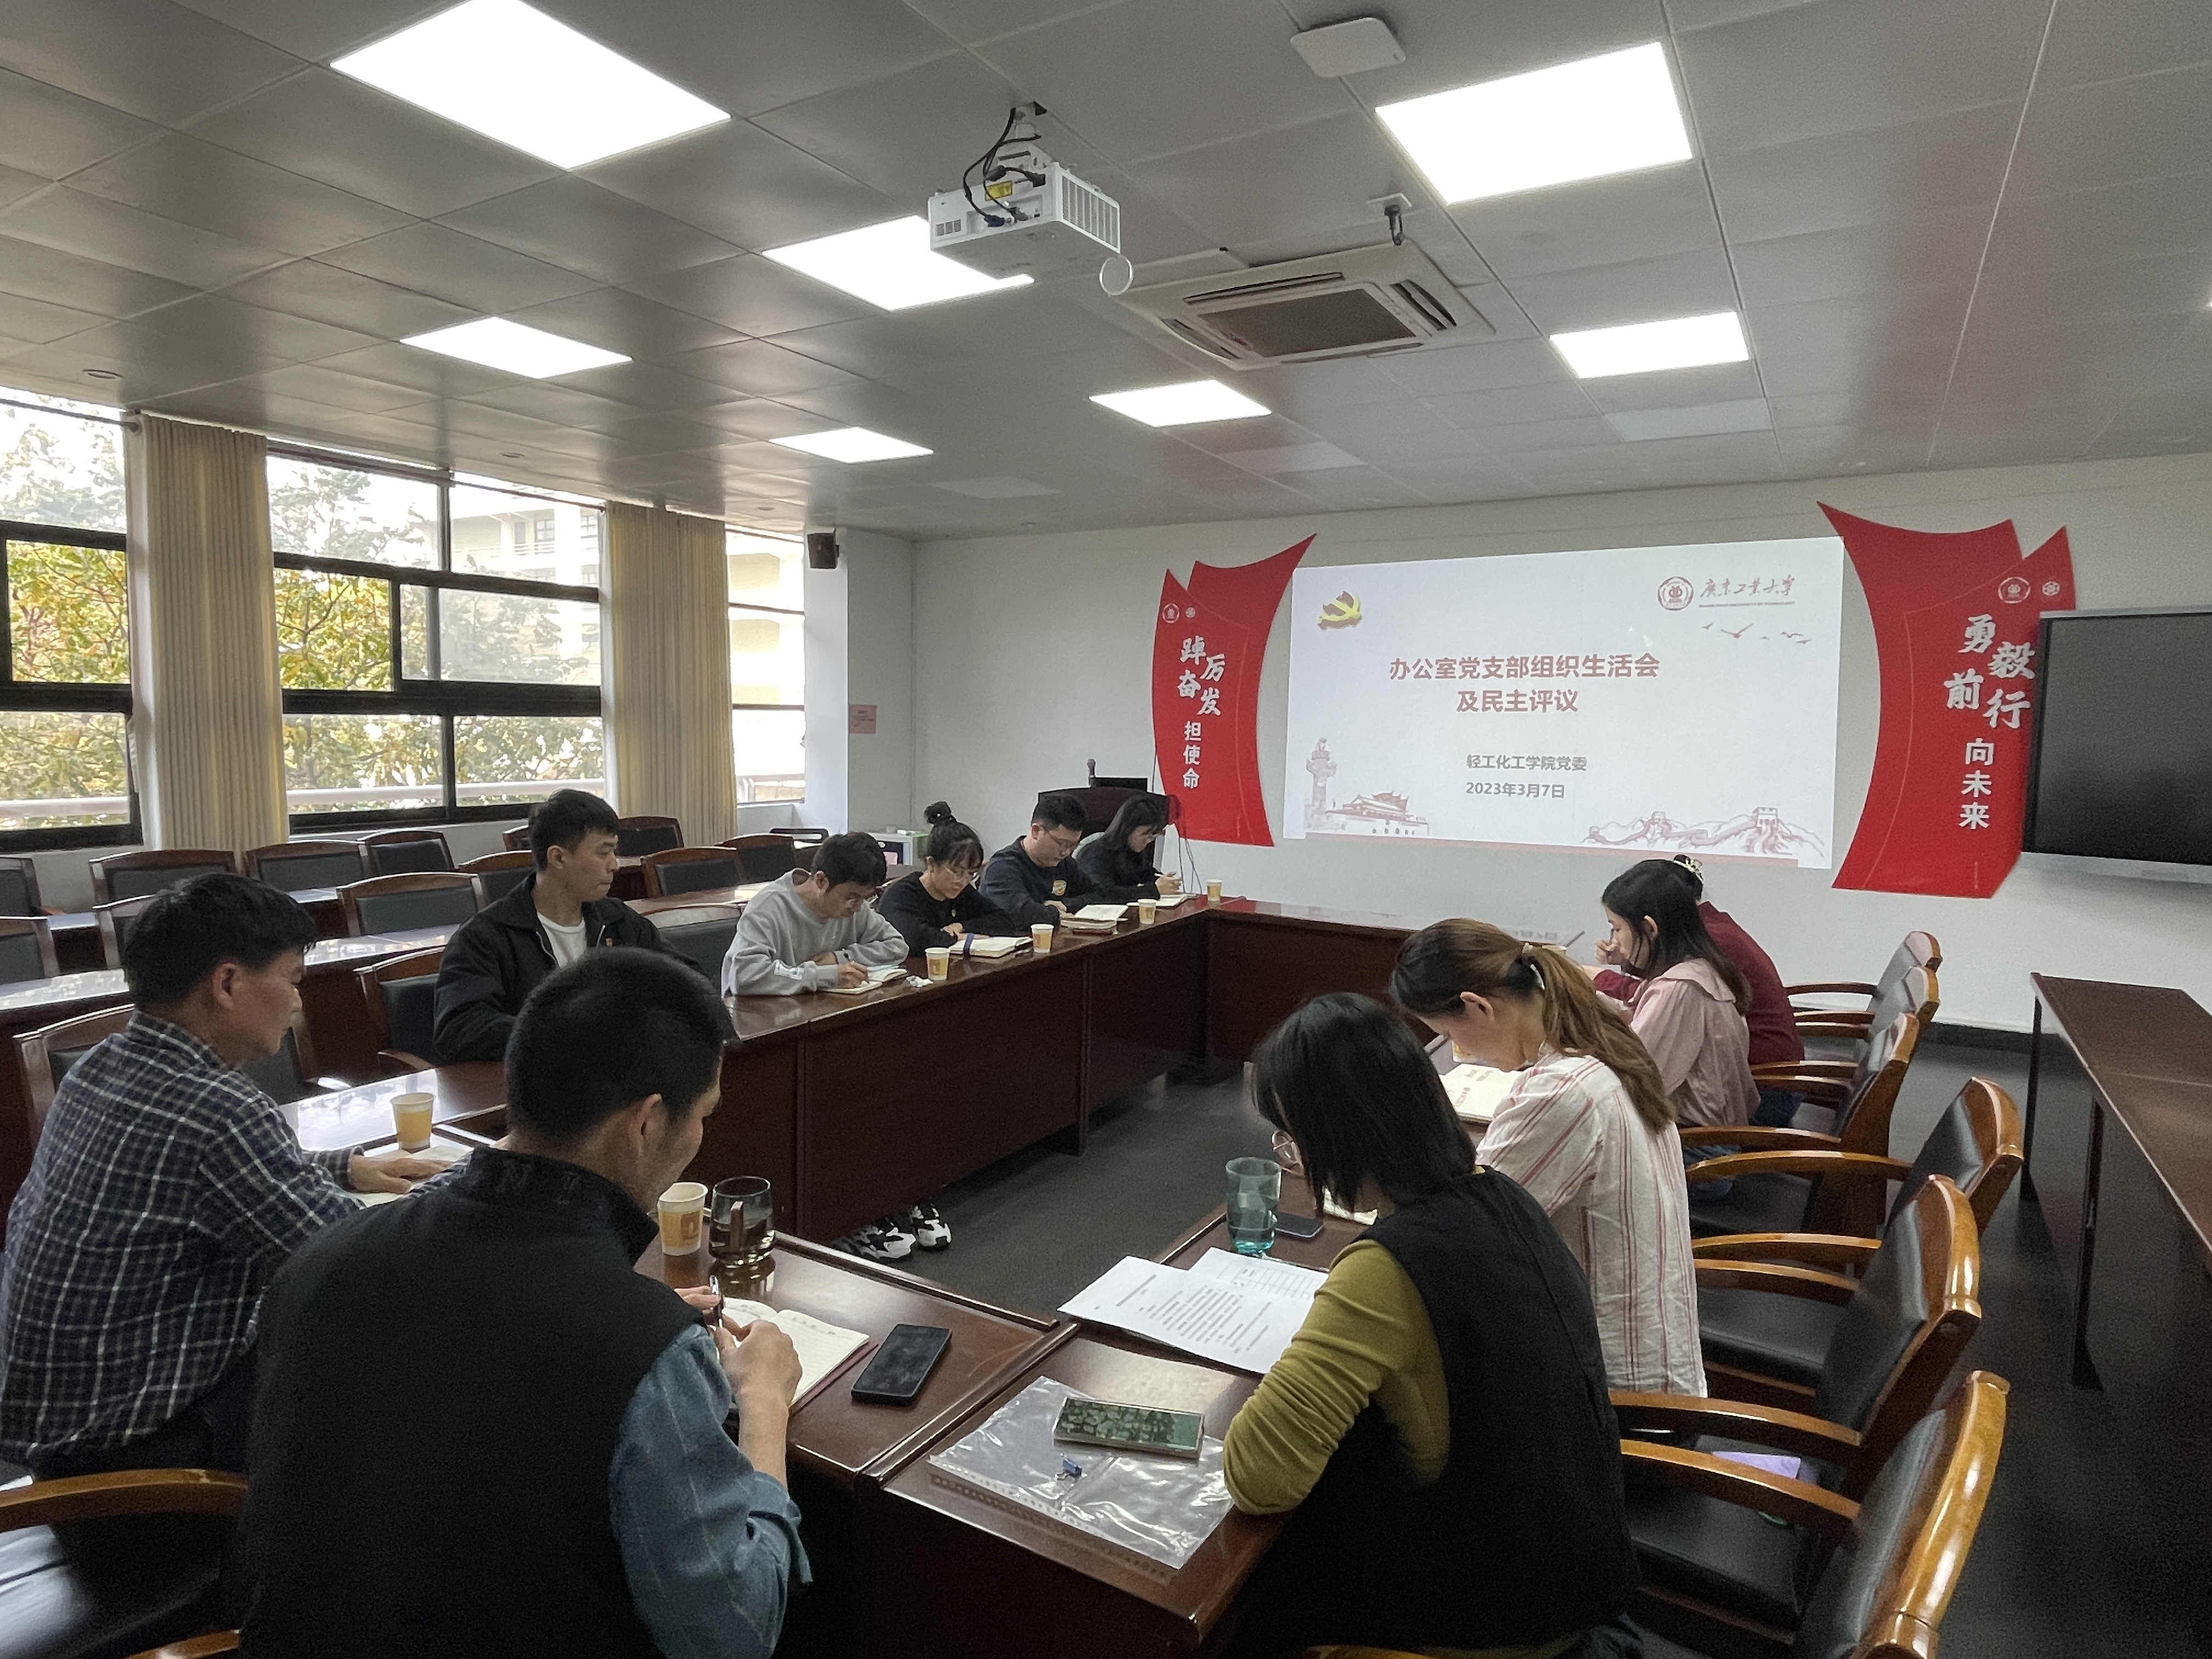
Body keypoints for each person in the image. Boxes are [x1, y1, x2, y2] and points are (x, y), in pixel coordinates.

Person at [240, 951, 804, 1658]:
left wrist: (630, 1313)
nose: (699, 1138)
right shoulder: (648, 1353)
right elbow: (734, 1635)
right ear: (645, 1123)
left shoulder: (321, 1260)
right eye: (703, 1115)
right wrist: (764, 1407)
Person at [1220, 992, 1636, 1658]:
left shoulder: (1386, 1269)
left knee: (1242, 1605)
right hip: (1570, 1579)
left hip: (1483, 1622)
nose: (1294, 1159)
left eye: (1294, 1140)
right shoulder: (1504, 1195)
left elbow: (1259, 1475)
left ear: (1338, 1136)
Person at [0, 876, 436, 1477]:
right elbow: (353, 1263)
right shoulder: (218, 1110)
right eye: (292, 980)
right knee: (391, 1345)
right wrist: (463, 1187)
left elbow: (195, 1174)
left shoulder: (100, 1064)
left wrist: (344, 1166)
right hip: (139, 1463)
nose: (298, 1002)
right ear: (228, 983)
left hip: (59, 1424)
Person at [1392, 919, 1705, 1395]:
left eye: (1450, 1034)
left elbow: (1460, 1233)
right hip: (1652, 1360)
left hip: (1616, 1396)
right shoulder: (1600, 1038)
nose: (1464, 1051)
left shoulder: (1562, 1092)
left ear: (1478, 1007)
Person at [435, 789, 676, 1063]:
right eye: (604, 852)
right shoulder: (485, 937)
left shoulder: (618, 920)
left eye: (614, 851)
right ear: (558, 858)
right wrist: (568, 1033)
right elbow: (461, 1028)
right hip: (536, 1078)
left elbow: (683, 980)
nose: (615, 865)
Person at [1593, 854, 1805, 1127]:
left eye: (1616, 929)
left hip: (1717, 1129)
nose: (1613, 939)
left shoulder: (1681, 985)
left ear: (1650, 927)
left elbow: (1638, 1075)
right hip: (1731, 1112)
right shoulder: (1697, 960)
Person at [721, 831, 908, 996]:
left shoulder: (854, 907)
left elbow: (897, 946)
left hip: (817, 1008)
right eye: (852, 898)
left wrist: (839, 958)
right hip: (759, 1016)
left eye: (864, 899)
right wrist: (825, 975)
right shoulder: (768, 908)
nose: (858, 908)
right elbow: (745, 974)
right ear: (821, 881)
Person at [876, 802, 1028, 955]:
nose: (963, 881)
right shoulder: (901, 896)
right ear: (931, 864)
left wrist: (962, 927)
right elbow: (914, 939)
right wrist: (959, 939)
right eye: (956, 871)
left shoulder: (962, 892)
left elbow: (1004, 922)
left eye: (971, 873)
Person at [978, 791, 1098, 927]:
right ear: (1036, 831)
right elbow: (1021, 914)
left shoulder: (1064, 864)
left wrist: (1067, 905)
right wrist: (1055, 914)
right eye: (1061, 843)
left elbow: (1099, 895)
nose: (1066, 852)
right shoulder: (1002, 868)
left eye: (1073, 845)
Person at [1073, 793, 1182, 903]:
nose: (1149, 841)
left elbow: (1147, 875)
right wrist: (1154, 890)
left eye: (1153, 836)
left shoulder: (1131, 853)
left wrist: (1163, 881)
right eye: (1145, 834)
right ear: (1127, 829)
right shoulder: (1094, 855)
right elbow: (1104, 894)